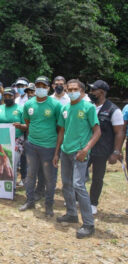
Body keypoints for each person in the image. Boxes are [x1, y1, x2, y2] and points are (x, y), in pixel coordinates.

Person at [54, 79, 101, 238]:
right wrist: (56, 152)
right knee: (66, 184)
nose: (72, 91)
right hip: (65, 151)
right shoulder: (65, 108)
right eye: (70, 89)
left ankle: (89, 224)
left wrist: (86, 149)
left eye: (75, 89)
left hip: (79, 153)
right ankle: (71, 213)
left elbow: (97, 132)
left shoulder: (88, 107)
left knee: (78, 185)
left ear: (82, 91)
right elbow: (61, 131)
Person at [20, 76, 62, 217]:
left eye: (43, 86)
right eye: (38, 86)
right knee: (30, 175)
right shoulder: (28, 104)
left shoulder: (55, 105)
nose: (40, 89)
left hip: (49, 147)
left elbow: (60, 127)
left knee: (50, 178)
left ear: (48, 88)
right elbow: (28, 122)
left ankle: (49, 205)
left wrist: (56, 149)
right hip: (31, 145)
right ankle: (30, 200)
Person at [87, 80, 124, 215]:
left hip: (102, 149)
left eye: (93, 90)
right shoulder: (89, 106)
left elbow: (119, 132)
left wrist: (116, 152)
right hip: (86, 147)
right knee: (79, 173)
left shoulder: (113, 110)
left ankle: (92, 203)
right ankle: (77, 199)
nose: (91, 93)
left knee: (97, 177)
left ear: (101, 92)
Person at [0, 88, 27, 188]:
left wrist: (20, 126)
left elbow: (27, 125)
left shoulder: (21, 109)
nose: (8, 98)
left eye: (10, 96)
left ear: (14, 96)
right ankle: (0, 186)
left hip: (16, 140)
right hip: (0, 141)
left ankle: (11, 188)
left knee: (12, 163)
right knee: (1, 163)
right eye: (6, 96)